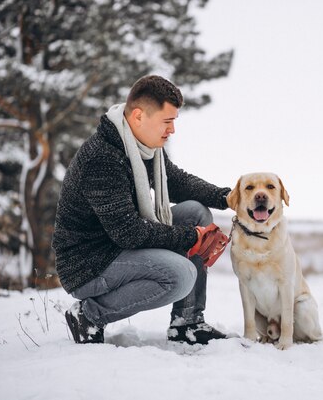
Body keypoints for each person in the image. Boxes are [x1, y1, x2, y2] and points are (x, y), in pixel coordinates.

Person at [53, 75, 232, 345]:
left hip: (118, 245)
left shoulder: (144, 149)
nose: (171, 130)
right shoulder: (102, 157)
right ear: (138, 116)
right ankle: (89, 316)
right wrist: (191, 238)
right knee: (181, 275)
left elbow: (177, 182)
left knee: (196, 211)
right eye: (167, 121)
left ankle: (187, 323)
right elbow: (129, 233)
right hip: (89, 264)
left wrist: (227, 197)